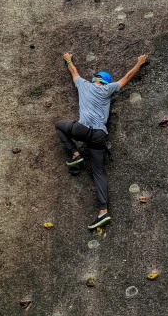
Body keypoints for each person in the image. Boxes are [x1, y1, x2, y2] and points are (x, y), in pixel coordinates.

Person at [55, 52, 148, 229]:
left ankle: (75, 155)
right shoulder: (108, 89)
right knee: (98, 172)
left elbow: (73, 71)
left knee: (60, 126)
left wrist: (68, 59)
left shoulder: (84, 85)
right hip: (99, 135)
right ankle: (103, 212)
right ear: (106, 81)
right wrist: (139, 63)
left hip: (82, 130)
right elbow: (127, 77)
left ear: (96, 79)